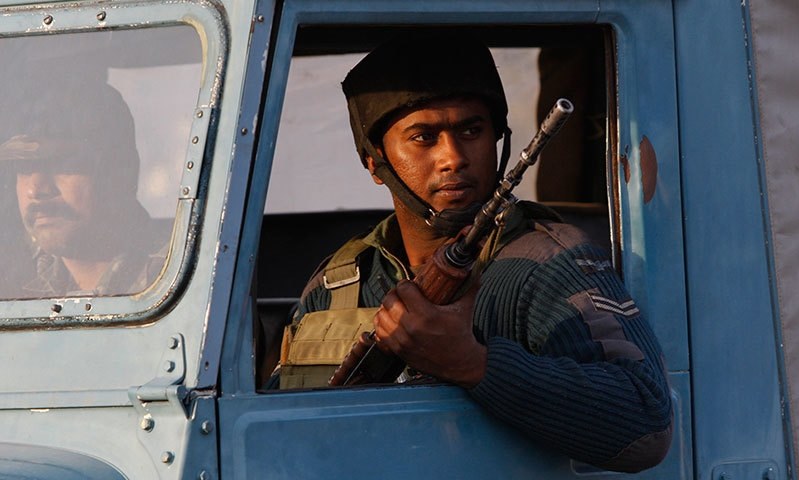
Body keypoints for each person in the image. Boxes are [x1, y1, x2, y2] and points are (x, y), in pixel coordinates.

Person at [277, 33, 673, 473]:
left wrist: (473, 364)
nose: (453, 158)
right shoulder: (340, 280)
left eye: (471, 130)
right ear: (375, 162)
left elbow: (646, 425)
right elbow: (273, 434)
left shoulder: (547, 264)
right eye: (424, 137)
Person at [0, 84, 168, 298]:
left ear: (119, 171)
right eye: (23, 169)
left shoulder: (178, 275)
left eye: (61, 164)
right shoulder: (14, 284)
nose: (35, 190)